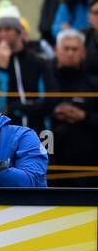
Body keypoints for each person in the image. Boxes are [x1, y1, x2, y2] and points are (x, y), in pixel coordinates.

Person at [0, 1, 51, 129]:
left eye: (8, 29)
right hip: (7, 133)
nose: (3, 34)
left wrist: (20, 108)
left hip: (39, 131)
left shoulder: (39, 62)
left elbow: (49, 101)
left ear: (19, 31)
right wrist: (2, 70)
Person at [47, 30, 98, 186]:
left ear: (83, 52)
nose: (70, 53)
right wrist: (53, 111)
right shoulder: (45, 77)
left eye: (75, 49)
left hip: (86, 162)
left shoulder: (93, 83)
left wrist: (83, 116)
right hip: (51, 156)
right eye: (66, 48)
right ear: (56, 50)